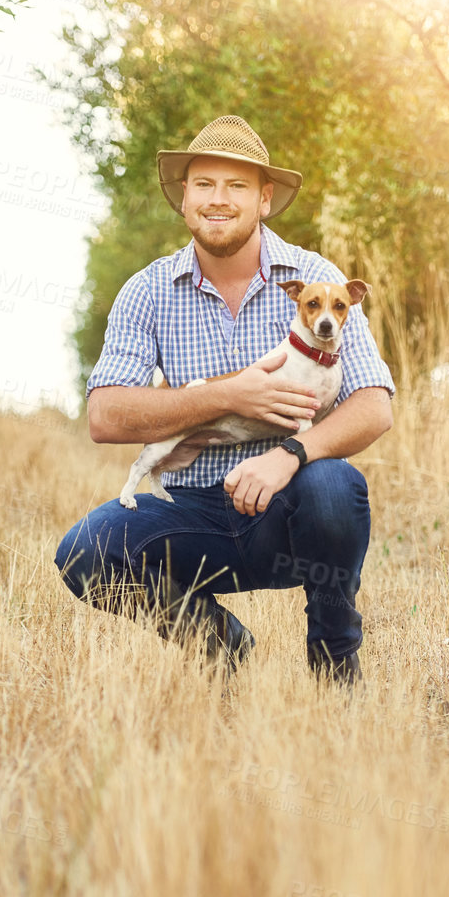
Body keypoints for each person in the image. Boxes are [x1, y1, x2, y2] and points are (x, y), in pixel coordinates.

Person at [54, 115, 396, 685]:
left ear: (264, 199)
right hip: (188, 516)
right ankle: (221, 647)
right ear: (184, 198)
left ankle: (335, 669)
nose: (219, 199)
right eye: (204, 184)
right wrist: (229, 394)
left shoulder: (318, 280)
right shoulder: (147, 291)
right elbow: (106, 415)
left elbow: (374, 406)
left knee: (334, 485)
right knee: (83, 553)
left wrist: (289, 454)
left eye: (237, 186)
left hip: (285, 515)